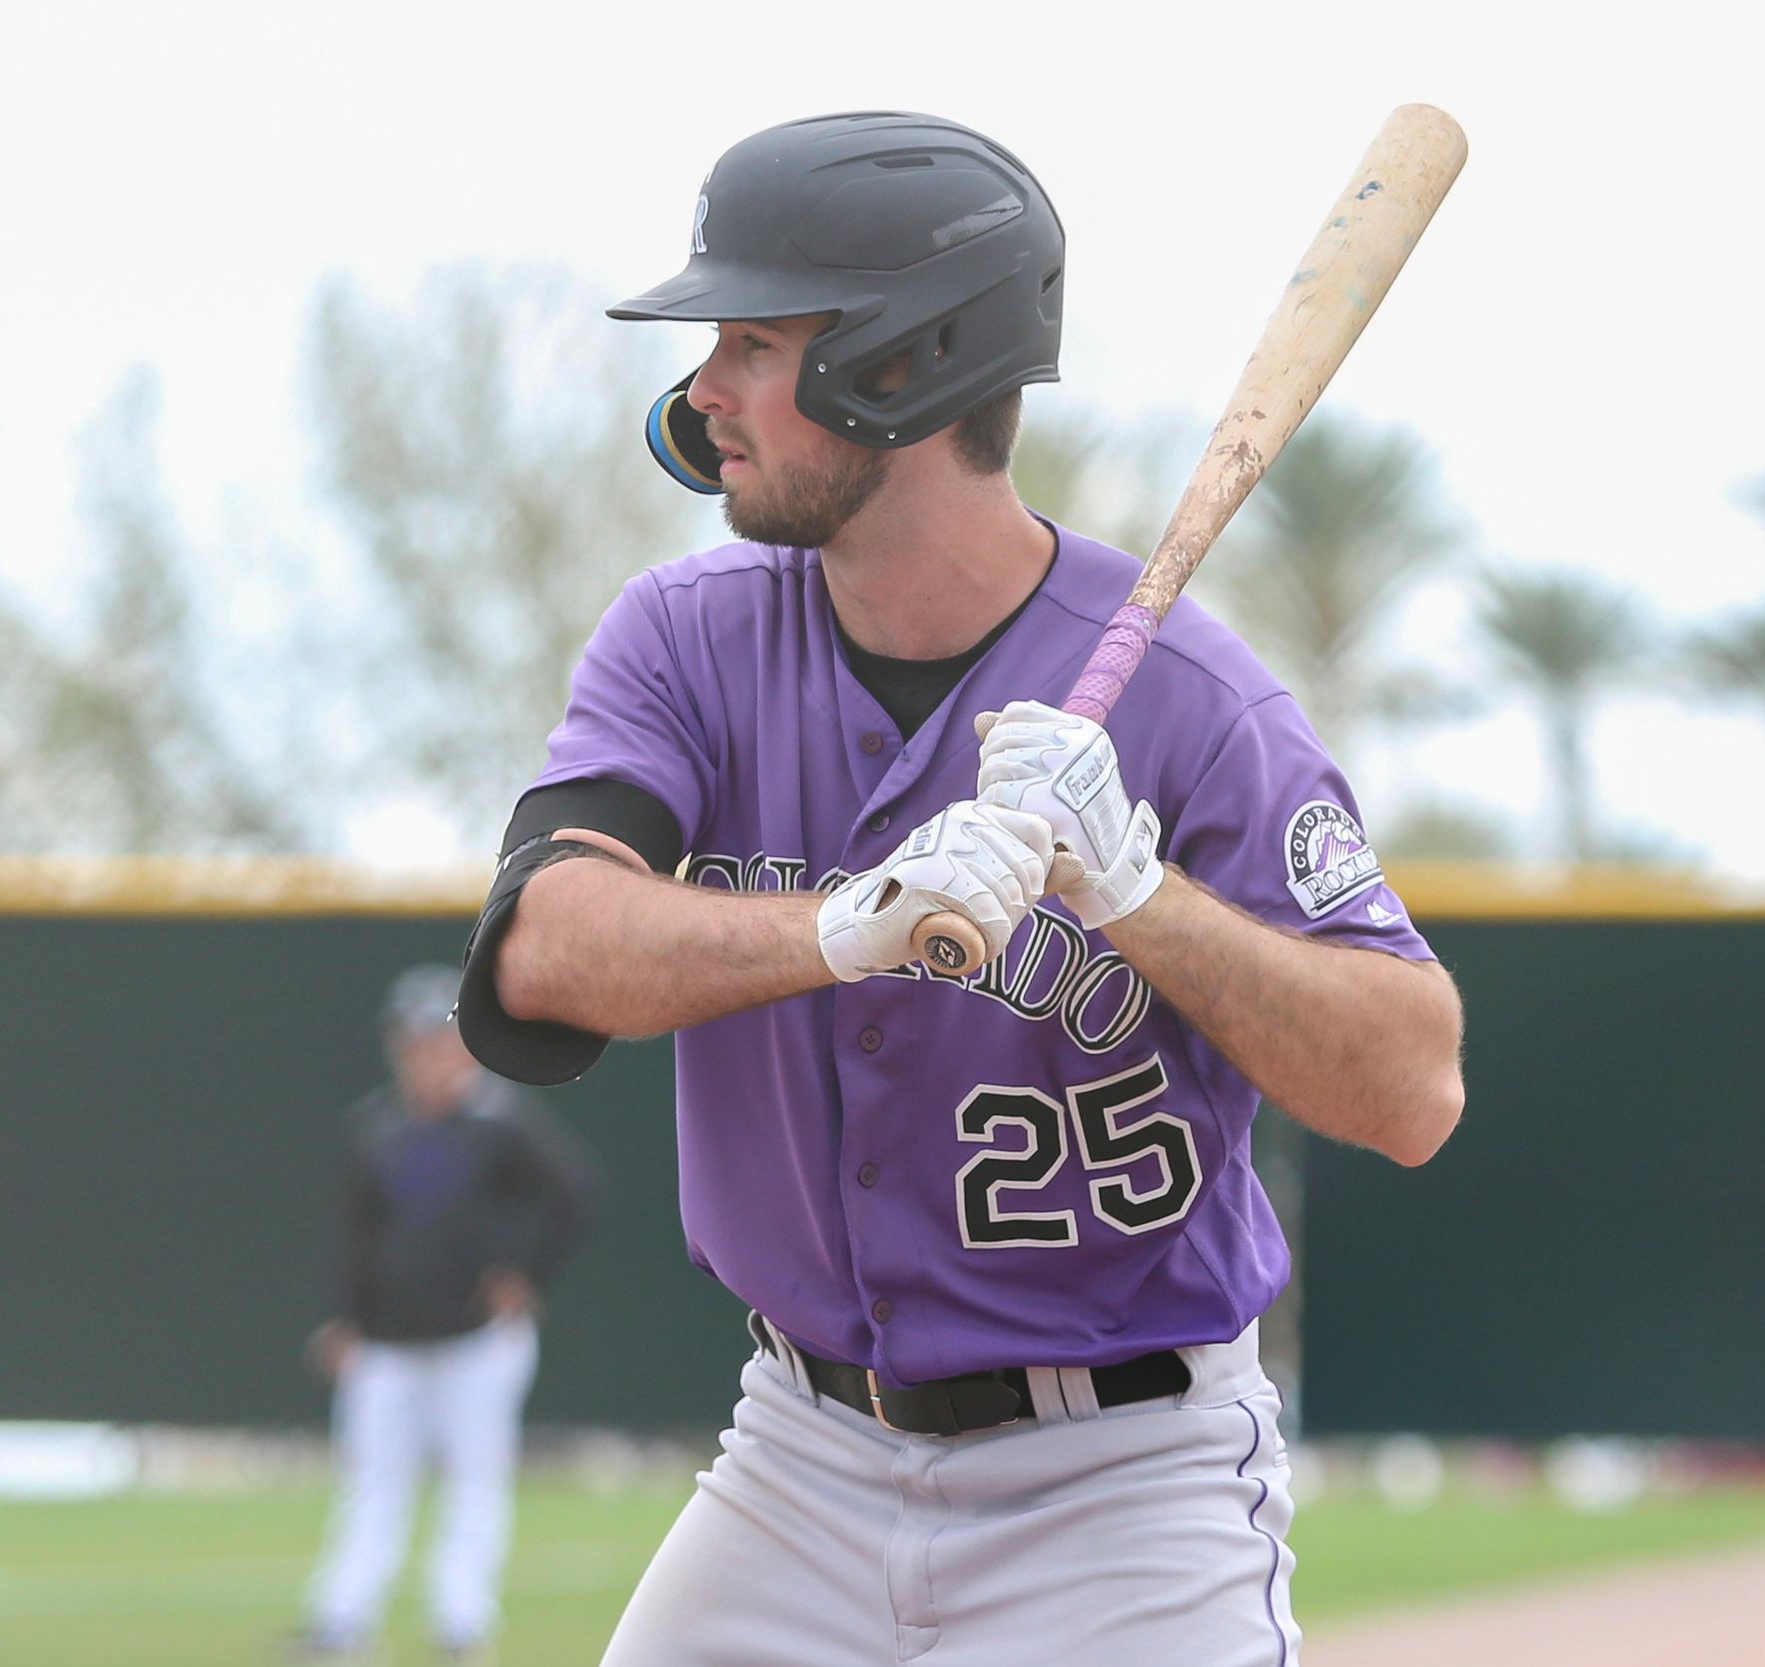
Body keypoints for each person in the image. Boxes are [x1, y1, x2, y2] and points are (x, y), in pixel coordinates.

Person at [456, 112, 1465, 1666]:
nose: (704, 391)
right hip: (796, 1461)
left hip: (1123, 1487)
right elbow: (540, 948)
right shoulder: (687, 638)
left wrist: (1138, 894)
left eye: (752, 340)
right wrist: (845, 922)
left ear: (901, 367)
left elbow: (1413, 1084)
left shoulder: (1200, 704)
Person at [294, 964, 594, 1665]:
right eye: (412, 1041)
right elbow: (359, 1235)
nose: (425, 1055)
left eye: (437, 1039)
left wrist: (526, 1274)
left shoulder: (501, 1121)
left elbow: (574, 1195)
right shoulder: (375, 1128)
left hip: (476, 1341)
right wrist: (346, 1318)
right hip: (388, 1342)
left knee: (474, 1481)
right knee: (370, 1483)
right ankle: (341, 1618)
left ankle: (461, 1622)